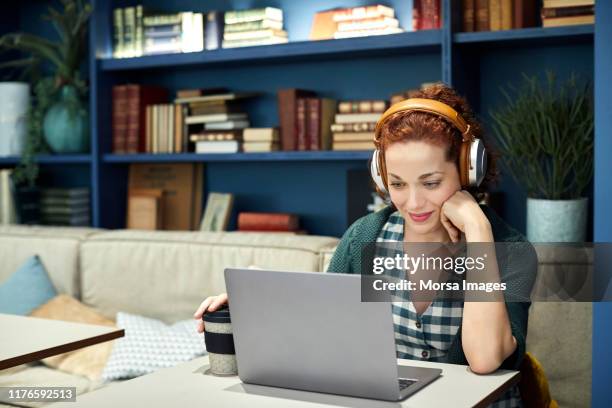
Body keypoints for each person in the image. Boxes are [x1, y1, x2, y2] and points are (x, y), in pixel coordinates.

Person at [194, 84, 536, 407]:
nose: (414, 203)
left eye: (431, 182)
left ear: (467, 171)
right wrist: (254, 303)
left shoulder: (510, 249)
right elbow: (322, 326)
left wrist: (477, 229)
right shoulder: (366, 238)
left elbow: (485, 359)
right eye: (398, 184)